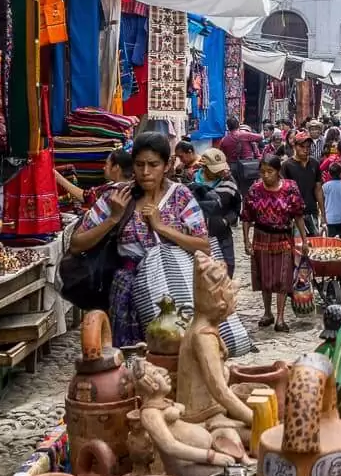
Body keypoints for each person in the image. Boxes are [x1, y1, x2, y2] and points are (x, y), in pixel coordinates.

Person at [70, 132, 211, 347]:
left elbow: (204, 246)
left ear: (167, 165)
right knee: (132, 362)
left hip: (173, 289)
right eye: (139, 164)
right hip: (127, 292)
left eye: (153, 164)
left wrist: (160, 226)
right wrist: (113, 219)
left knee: (173, 356)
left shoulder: (180, 196)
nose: (145, 172)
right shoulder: (116, 197)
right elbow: (76, 244)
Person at [242, 152, 307, 331]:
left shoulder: (290, 188)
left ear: (278, 171)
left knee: (282, 277)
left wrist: (304, 239)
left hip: (283, 237)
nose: (266, 175)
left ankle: (280, 317)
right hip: (261, 236)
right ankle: (267, 312)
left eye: (270, 171)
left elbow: (298, 215)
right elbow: (246, 217)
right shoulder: (255, 189)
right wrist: (246, 240)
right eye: (262, 172)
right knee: (265, 276)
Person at [189, 148, 241, 277]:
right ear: (205, 167)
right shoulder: (191, 181)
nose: (219, 172)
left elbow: (236, 207)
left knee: (227, 271)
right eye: (215, 169)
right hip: (198, 238)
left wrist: (226, 220)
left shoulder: (229, 182)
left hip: (222, 235)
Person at [56, 148, 133, 210]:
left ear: (116, 167)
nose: (103, 168)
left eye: (107, 164)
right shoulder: (126, 187)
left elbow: (85, 196)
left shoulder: (113, 191)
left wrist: (58, 177)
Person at [280, 131, 323, 235]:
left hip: (311, 210)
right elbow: (283, 192)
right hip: (294, 213)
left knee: (314, 244)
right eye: (302, 146)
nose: (305, 150)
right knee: (298, 245)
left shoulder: (314, 163)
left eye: (308, 147)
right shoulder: (287, 165)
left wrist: (323, 214)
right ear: (294, 146)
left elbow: (318, 189)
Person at [321, 162, 341, 239]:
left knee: (331, 239)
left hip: (329, 218)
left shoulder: (325, 186)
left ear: (329, 174)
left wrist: (322, 217)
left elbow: (322, 201)